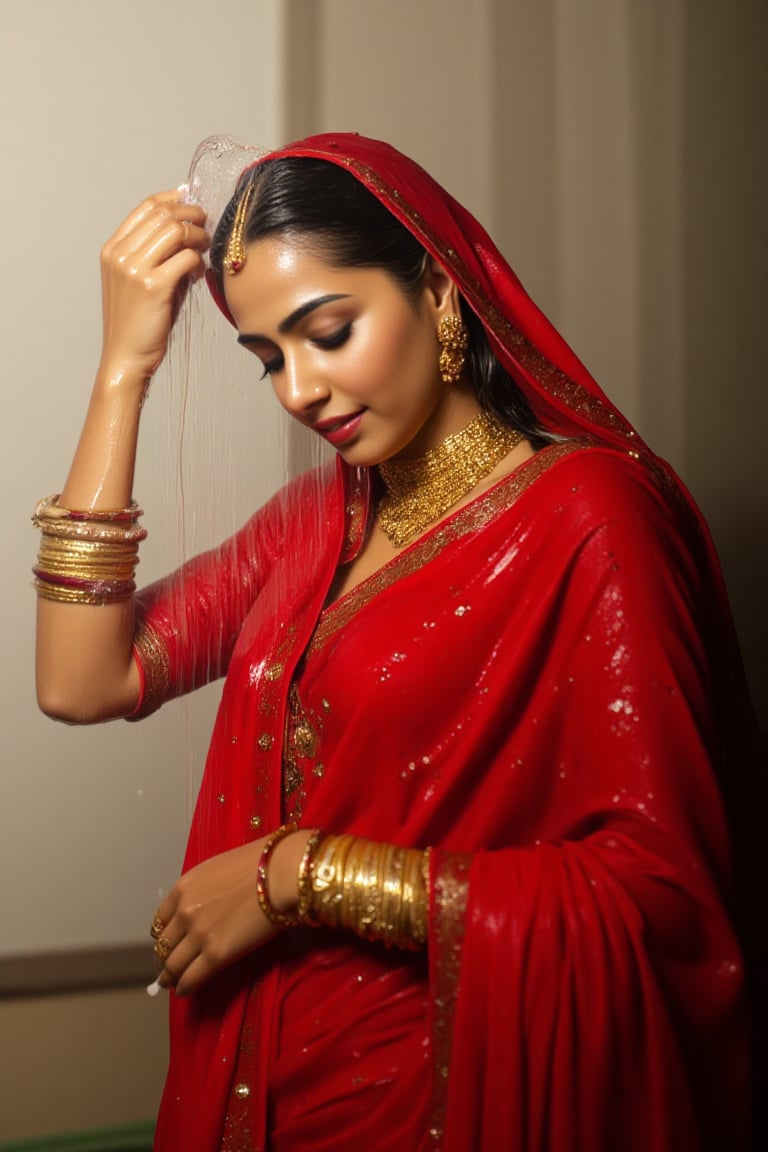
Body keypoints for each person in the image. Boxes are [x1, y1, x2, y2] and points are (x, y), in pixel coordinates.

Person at [34, 133, 765, 1152]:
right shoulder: (311, 525)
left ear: (438, 293)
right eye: (268, 360)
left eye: (327, 331)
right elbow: (82, 680)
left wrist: (296, 877)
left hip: (439, 1096)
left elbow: (658, 898)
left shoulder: (591, 518)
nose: (299, 389)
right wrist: (123, 372)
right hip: (255, 1081)